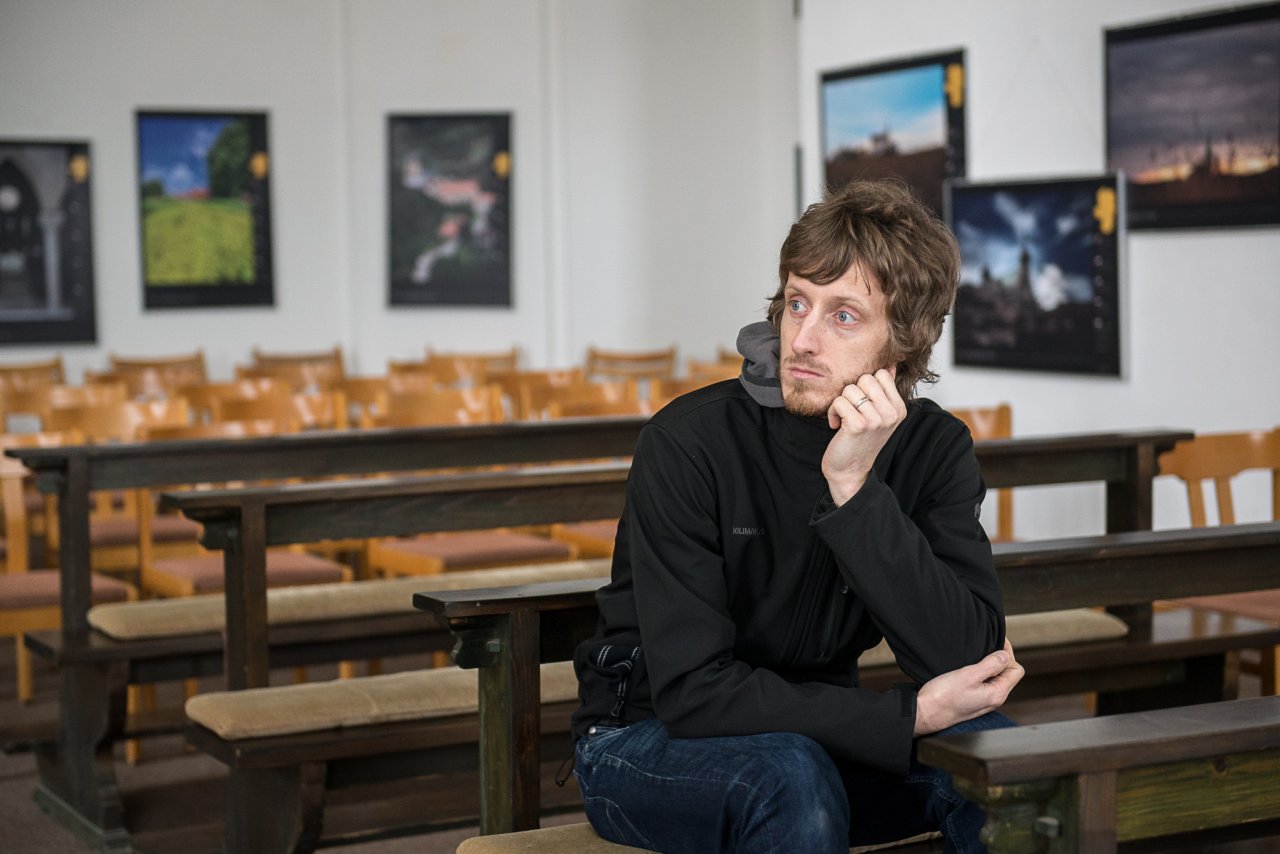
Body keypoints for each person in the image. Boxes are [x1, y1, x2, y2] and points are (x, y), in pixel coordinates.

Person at [570, 178, 1025, 854]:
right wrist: (907, 716)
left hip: (819, 736)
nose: (803, 339)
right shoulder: (688, 442)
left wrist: (854, 488)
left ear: (903, 342)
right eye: (797, 303)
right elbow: (694, 693)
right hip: (646, 741)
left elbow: (967, 660)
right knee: (789, 776)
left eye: (844, 316)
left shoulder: (933, 448)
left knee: (1002, 765)